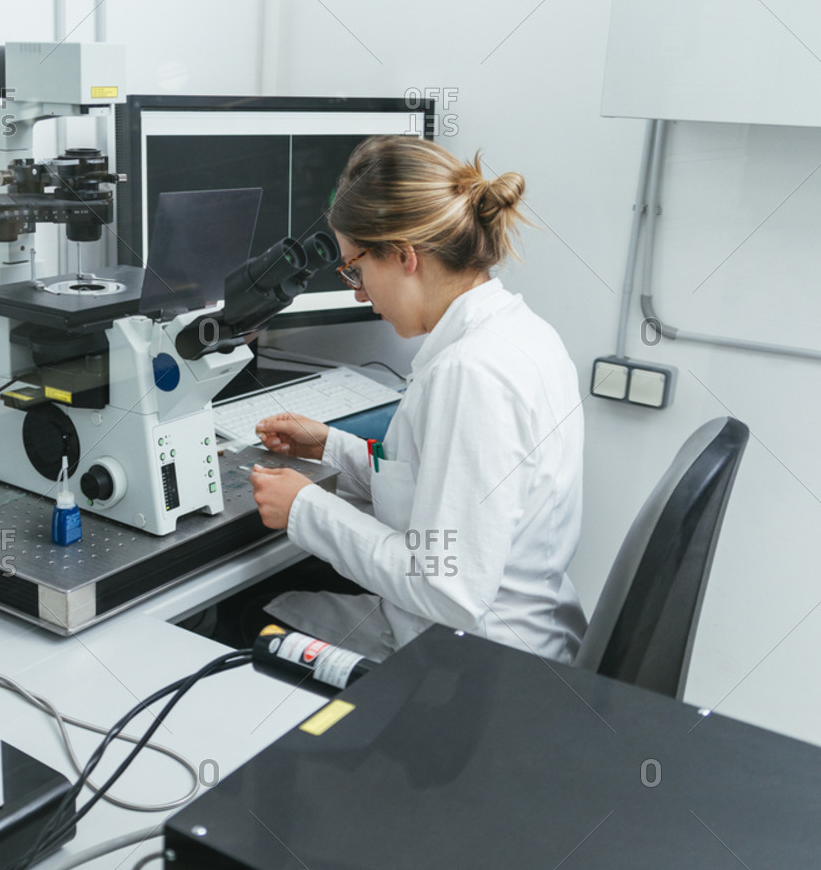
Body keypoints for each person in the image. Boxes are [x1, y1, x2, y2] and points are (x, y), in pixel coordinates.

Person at [243, 134, 587, 664]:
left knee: (244, 616)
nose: (358, 292)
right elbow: (439, 483)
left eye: (355, 269)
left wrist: (304, 508)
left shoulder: (471, 374)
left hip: (474, 671)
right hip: (501, 639)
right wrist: (331, 448)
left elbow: (447, 591)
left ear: (404, 256)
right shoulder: (520, 331)